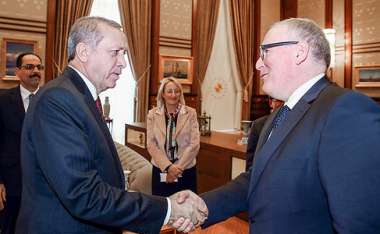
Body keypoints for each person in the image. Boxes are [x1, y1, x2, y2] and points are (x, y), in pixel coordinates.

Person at [173, 18, 380, 233]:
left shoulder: (347, 110)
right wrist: (204, 205)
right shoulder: (277, 117)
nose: (257, 64)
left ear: (300, 52)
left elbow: (360, 224)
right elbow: (257, 179)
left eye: (265, 52)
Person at [15, 16, 207, 234]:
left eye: (123, 54)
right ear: (84, 52)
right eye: (115, 52)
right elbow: (83, 194)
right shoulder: (58, 99)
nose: (123, 62)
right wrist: (168, 208)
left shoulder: (80, 96)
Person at [0, 52, 42, 234]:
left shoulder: (53, 99)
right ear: (17, 72)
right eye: (29, 67)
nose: (35, 71)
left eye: (38, 67)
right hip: (12, 182)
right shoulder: (2, 101)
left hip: (45, 182)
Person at [147, 77, 200, 196]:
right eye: (169, 91)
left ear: (180, 93)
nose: (173, 94)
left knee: (186, 209)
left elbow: (194, 144)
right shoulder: (152, 114)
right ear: (163, 94)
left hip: (185, 169)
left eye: (176, 91)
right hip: (161, 169)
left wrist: (177, 168)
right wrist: (168, 167)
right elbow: (151, 144)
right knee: (162, 207)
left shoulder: (191, 113)